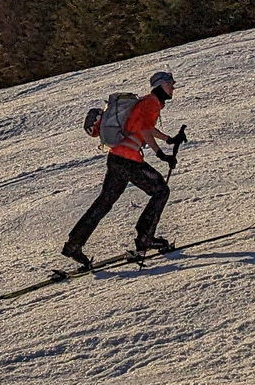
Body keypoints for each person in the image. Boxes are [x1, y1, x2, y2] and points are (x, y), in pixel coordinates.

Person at [62, 71, 181, 267]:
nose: (173, 87)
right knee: (161, 190)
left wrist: (169, 139)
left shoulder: (148, 102)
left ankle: (74, 244)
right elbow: (144, 130)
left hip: (116, 157)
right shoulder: (151, 103)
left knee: (104, 202)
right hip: (128, 160)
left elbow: (145, 127)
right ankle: (145, 238)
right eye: (170, 83)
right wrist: (161, 154)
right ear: (160, 85)